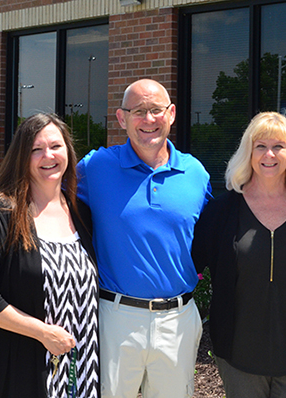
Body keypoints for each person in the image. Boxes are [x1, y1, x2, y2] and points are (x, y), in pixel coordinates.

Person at [0, 113, 99, 398]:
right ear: (21, 157)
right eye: (35, 149)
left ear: (68, 152)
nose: (47, 156)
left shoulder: (81, 213)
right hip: (11, 368)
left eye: (56, 146)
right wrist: (42, 332)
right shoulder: (0, 211)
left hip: (75, 368)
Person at [76, 79, 211, 398]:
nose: (149, 120)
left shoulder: (195, 174)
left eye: (156, 110)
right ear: (122, 118)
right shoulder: (96, 168)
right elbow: (47, 191)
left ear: (172, 114)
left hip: (178, 319)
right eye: (139, 111)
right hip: (115, 317)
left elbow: (212, 233)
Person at [192, 112, 286, 398]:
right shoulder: (223, 209)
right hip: (238, 358)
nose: (269, 154)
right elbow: (190, 263)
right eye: (260, 146)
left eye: (279, 146)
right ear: (248, 153)